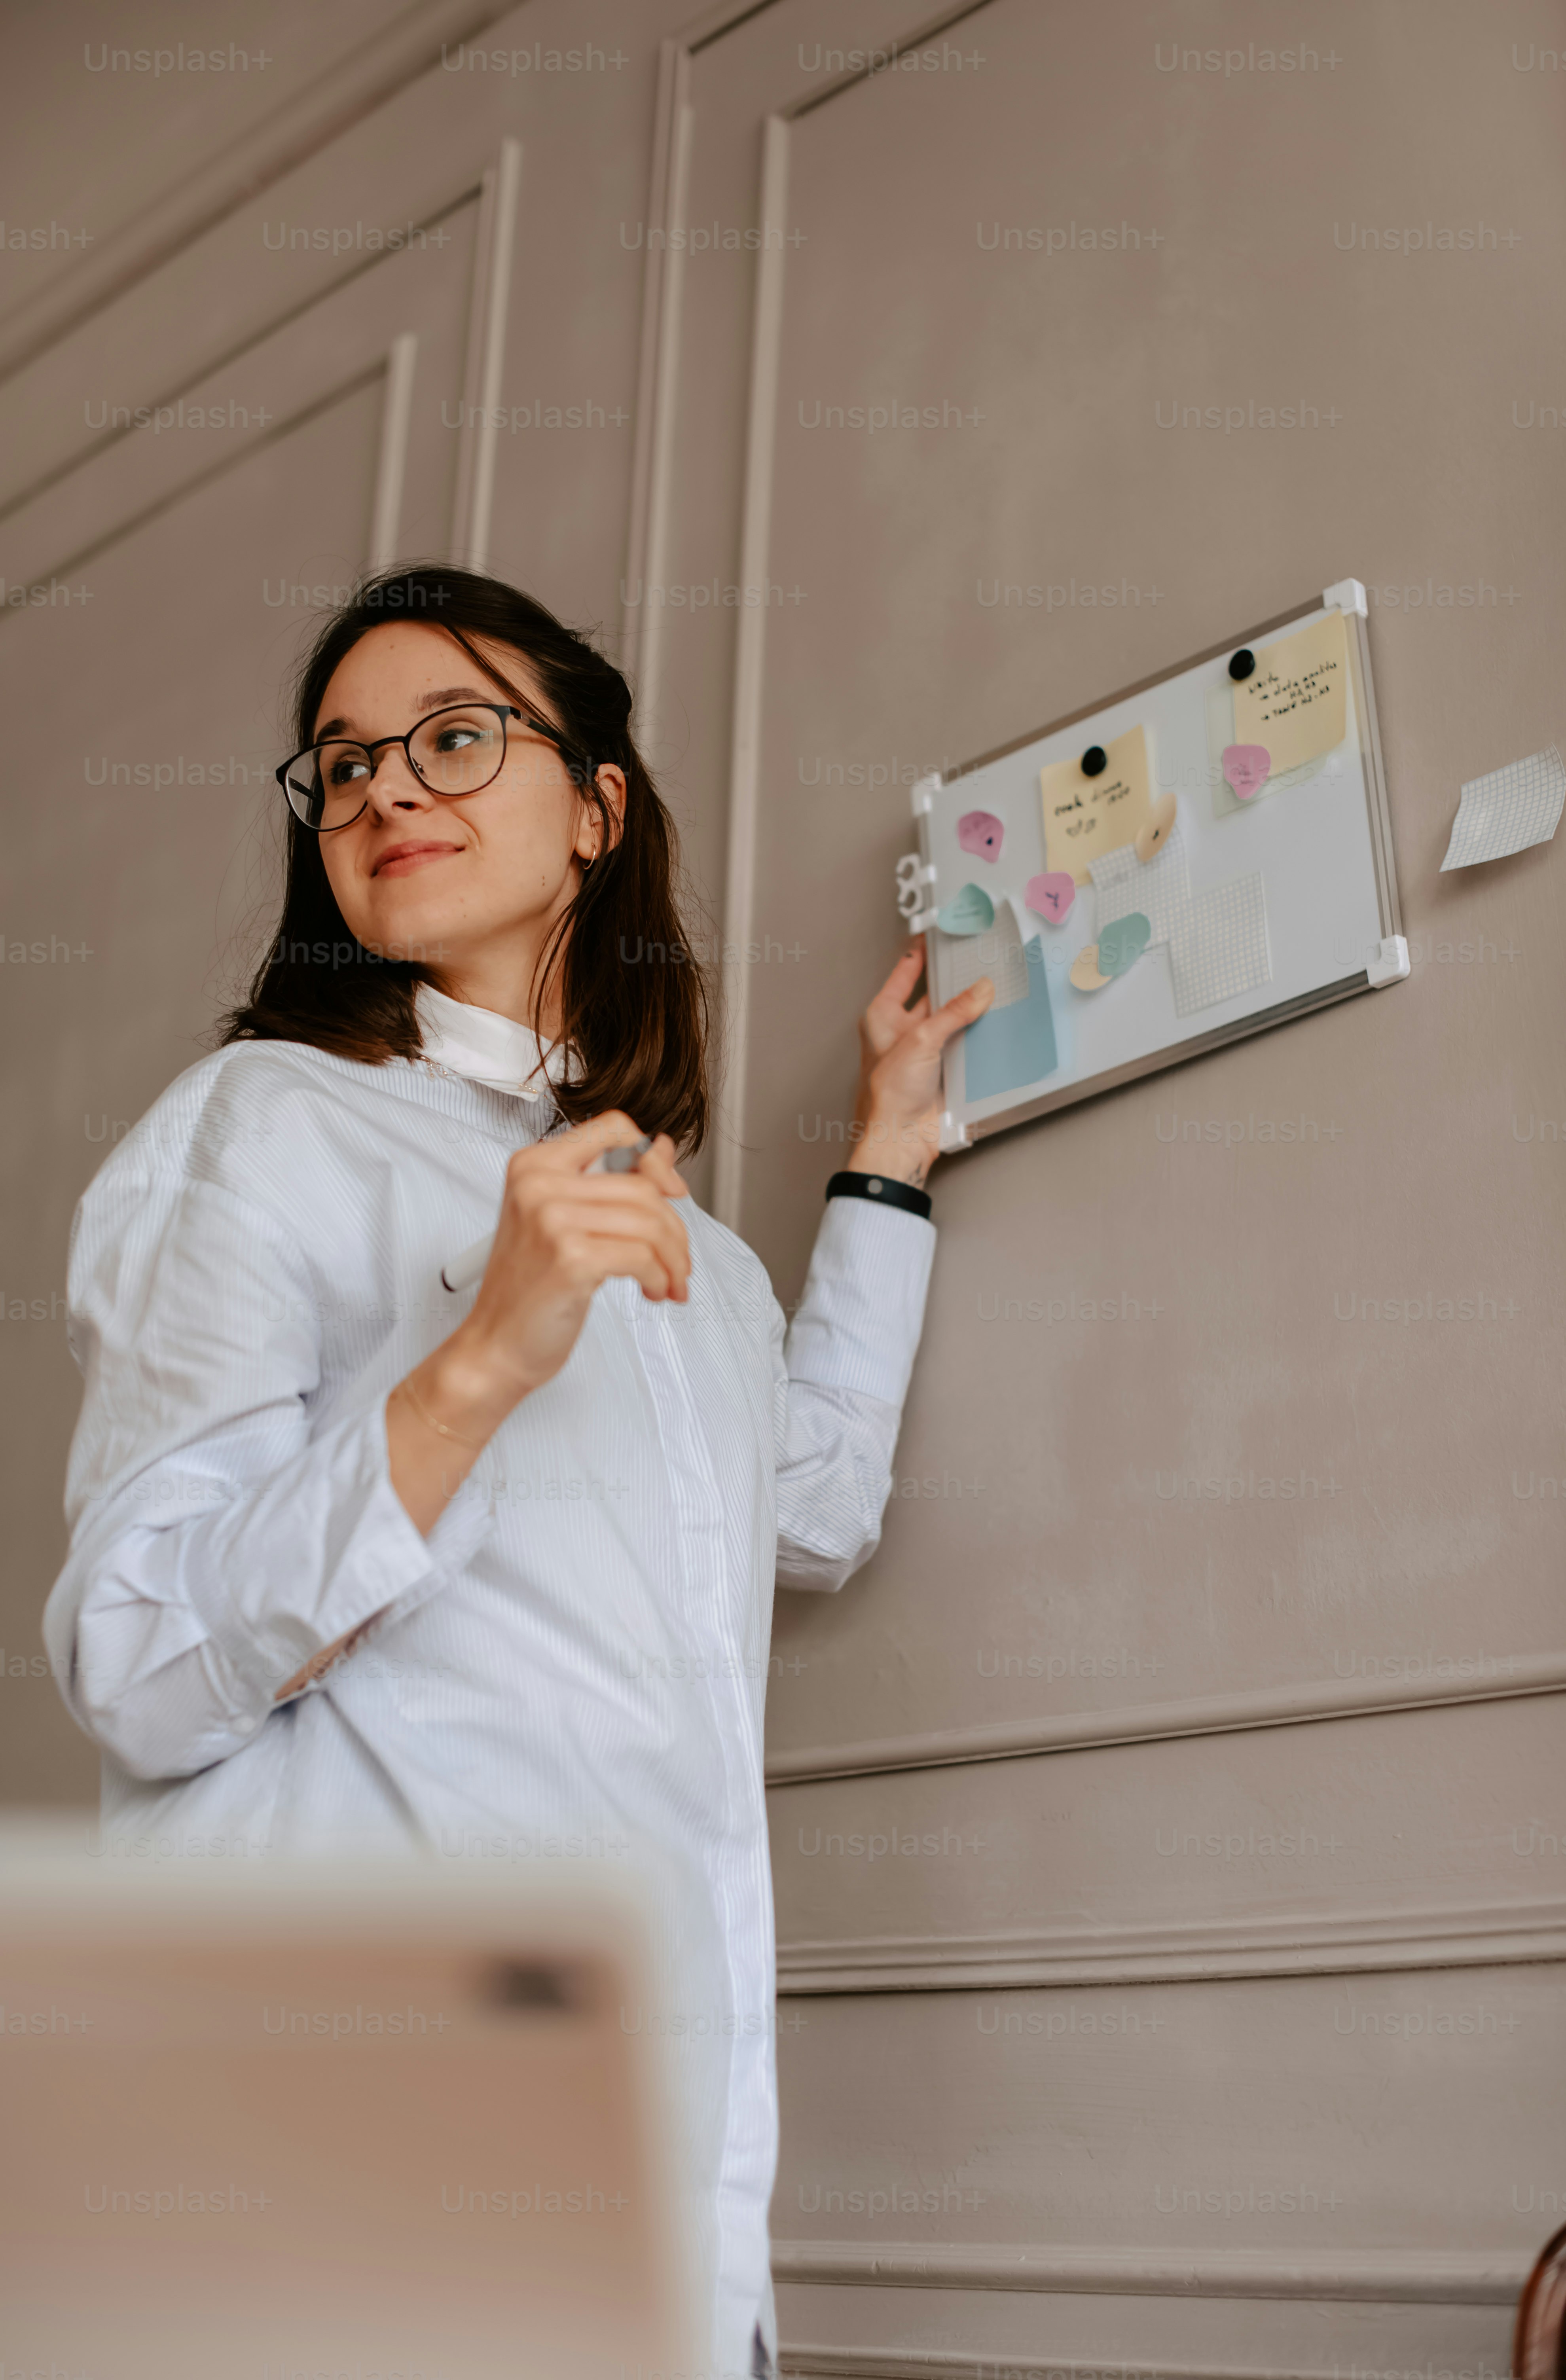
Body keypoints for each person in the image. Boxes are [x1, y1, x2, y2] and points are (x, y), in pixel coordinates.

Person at [44, 565, 992, 2378]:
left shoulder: (671, 1237)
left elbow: (812, 1502)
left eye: (453, 738)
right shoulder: (255, 1131)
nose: (386, 788)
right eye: (342, 765)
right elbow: (138, 1659)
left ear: (599, 806)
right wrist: (479, 1356)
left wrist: (886, 1159)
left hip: (664, 2168)